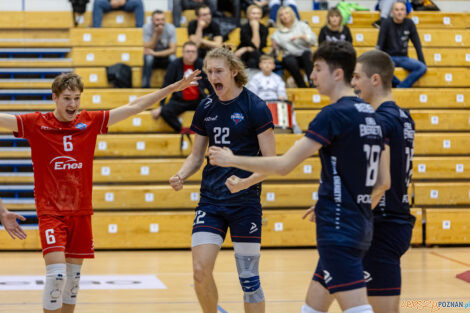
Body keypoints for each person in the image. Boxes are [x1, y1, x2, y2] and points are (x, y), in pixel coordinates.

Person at [208, 41, 391, 313]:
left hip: (338, 227)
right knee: (312, 308)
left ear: (337, 74)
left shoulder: (332, 115)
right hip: (360, 223)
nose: (312, 76)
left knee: (356, 307)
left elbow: (283, 165)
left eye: (317, 69)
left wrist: (231, 159)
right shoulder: (372, 116)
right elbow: (383, 182)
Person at [0, 71, 200, 313]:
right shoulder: (36, 122)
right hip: (51, 212)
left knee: (72, 282)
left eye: (76, 98)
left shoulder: (90, 121)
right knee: (57, 277)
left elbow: (134, 106)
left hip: (81, 212)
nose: (72, 104)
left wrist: (171, 89)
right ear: (54, 97)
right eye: (66, 99)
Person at [169, 47, 276, 313]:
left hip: (245, 203)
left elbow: (272, 163)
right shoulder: (206, 106)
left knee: (250, 281)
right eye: (209, 72)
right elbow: (196, 156)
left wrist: (245, 183)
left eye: (218, 71)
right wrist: (181, 174)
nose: (212, 77)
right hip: (211, 201)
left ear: (233, 72)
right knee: (199, 271)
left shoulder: (256, 107)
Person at [352, 50, 415, 313]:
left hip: (384, 223)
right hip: (396, 218)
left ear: (375, 79)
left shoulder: (380, 120)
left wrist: (352, 214)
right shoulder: (405, 117)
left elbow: (382, 182)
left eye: (357, 77)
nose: (353, 83)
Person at [151, 41, 212, 133]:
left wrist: (216, 100)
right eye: (188, 51)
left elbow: (209, 84)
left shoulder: (201, 64)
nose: (191, 54)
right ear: (183, 53)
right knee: (165, 111)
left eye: (193, 52)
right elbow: (166, 85)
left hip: (198, 100)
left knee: (213, 109)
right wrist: (161, 106)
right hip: (179, 100)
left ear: (197, 53)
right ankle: (182, 129)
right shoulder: (175, 64)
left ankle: (202, 131)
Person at [377, 1, 427, 88]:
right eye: (396, 10)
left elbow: (417, 44)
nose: (399, 12)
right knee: (380, 67)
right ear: (392, 12)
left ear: (405, 12)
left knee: (422, 67)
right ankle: (398, 84)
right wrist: (378, 60)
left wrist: (422, 60)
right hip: (389, 58)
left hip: (404, 58)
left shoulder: (410, 23)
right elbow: (379, 44)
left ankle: (401, 86)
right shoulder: (386, 23)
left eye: (402, 10)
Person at [271, 6, 316, 88]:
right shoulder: (277, 33)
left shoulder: (302, 25)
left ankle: (312, 82)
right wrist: (274, 49)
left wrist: (302, 36)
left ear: (291, 14)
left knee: (307, 54)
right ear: (279, 18)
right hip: (290, 58)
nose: (284, 16)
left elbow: (313, 41)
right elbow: (275, 55)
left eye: (286, 13)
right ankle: (301, 85)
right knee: (289, 60)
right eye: (281, 15)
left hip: (304, 56)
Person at [142, 9, 177, 88]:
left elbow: (173, 50)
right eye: (157, 20)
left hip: (165, 57)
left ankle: (173, 85)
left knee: (173, 58)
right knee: (148, 58)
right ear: (152, 20)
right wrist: (156, 34)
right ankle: (145, 85)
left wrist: (155, 53)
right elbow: (148, 48)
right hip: (152, 57)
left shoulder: (170, 28)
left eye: (162, 19)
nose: (160, 22)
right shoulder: (146, 28)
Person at [235, 4, 268, 70]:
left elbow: (256, 46)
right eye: (253, 13)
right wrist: (247, 49)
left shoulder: (264, 28)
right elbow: (252, 45)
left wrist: (255, 28)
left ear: (261, 15)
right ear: (248, 15)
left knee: (253, 60)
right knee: (254, 56)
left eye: (258, 13)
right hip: (245, 54)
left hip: (257, 53)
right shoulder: (244, 28)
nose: (256, 16)